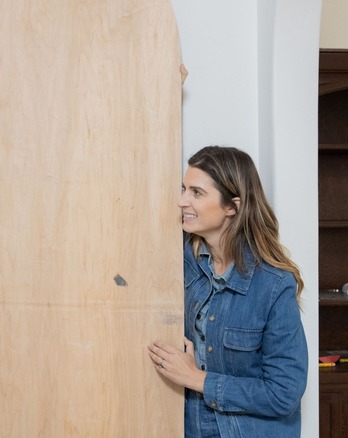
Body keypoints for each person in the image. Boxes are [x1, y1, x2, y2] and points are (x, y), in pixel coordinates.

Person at [147, 146, 308, 437]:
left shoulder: (273, 284)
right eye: (184, 189)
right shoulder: (181, 263)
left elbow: (284, 393)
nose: (182, 201)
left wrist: (198, 379)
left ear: (232, 207)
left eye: (196, 193)